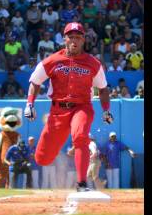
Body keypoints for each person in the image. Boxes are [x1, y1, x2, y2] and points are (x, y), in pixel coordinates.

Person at [24, 22, 113, 192]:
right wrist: (29, 104)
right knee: (42, 158)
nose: (74, 40)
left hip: (82, 107)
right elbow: (34, 82)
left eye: (78, 37)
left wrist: (106, 110)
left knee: (80, 137)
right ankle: (51, 159)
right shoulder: (52, 60)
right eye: (71, 37)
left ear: (83, 40)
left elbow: (103, 89)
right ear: (64, 39)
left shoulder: (93, 63)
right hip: (58, 111)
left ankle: (81, 183)